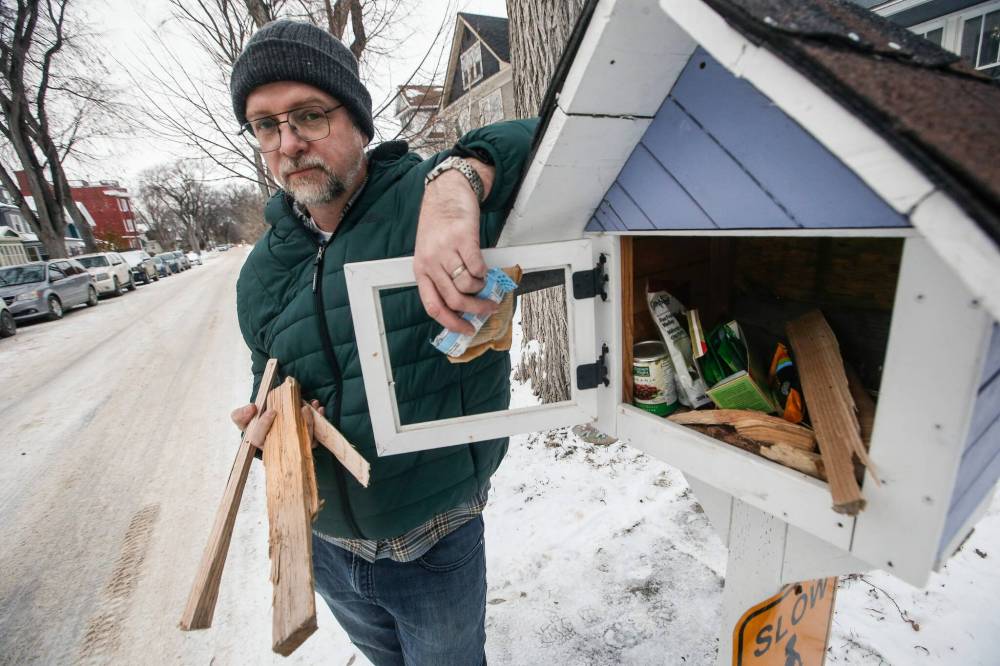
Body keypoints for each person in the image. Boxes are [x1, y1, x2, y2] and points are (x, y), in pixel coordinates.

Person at [227, 19, 537, 665]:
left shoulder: (428, 203)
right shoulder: (261, 271)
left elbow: (559, 144)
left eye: (309, 115)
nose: (289, 143)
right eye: (265, 125)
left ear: (359, 123)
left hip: (434, 537)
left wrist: (458, 181)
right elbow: (271, 376)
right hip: (329, 548)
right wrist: (269, 424)